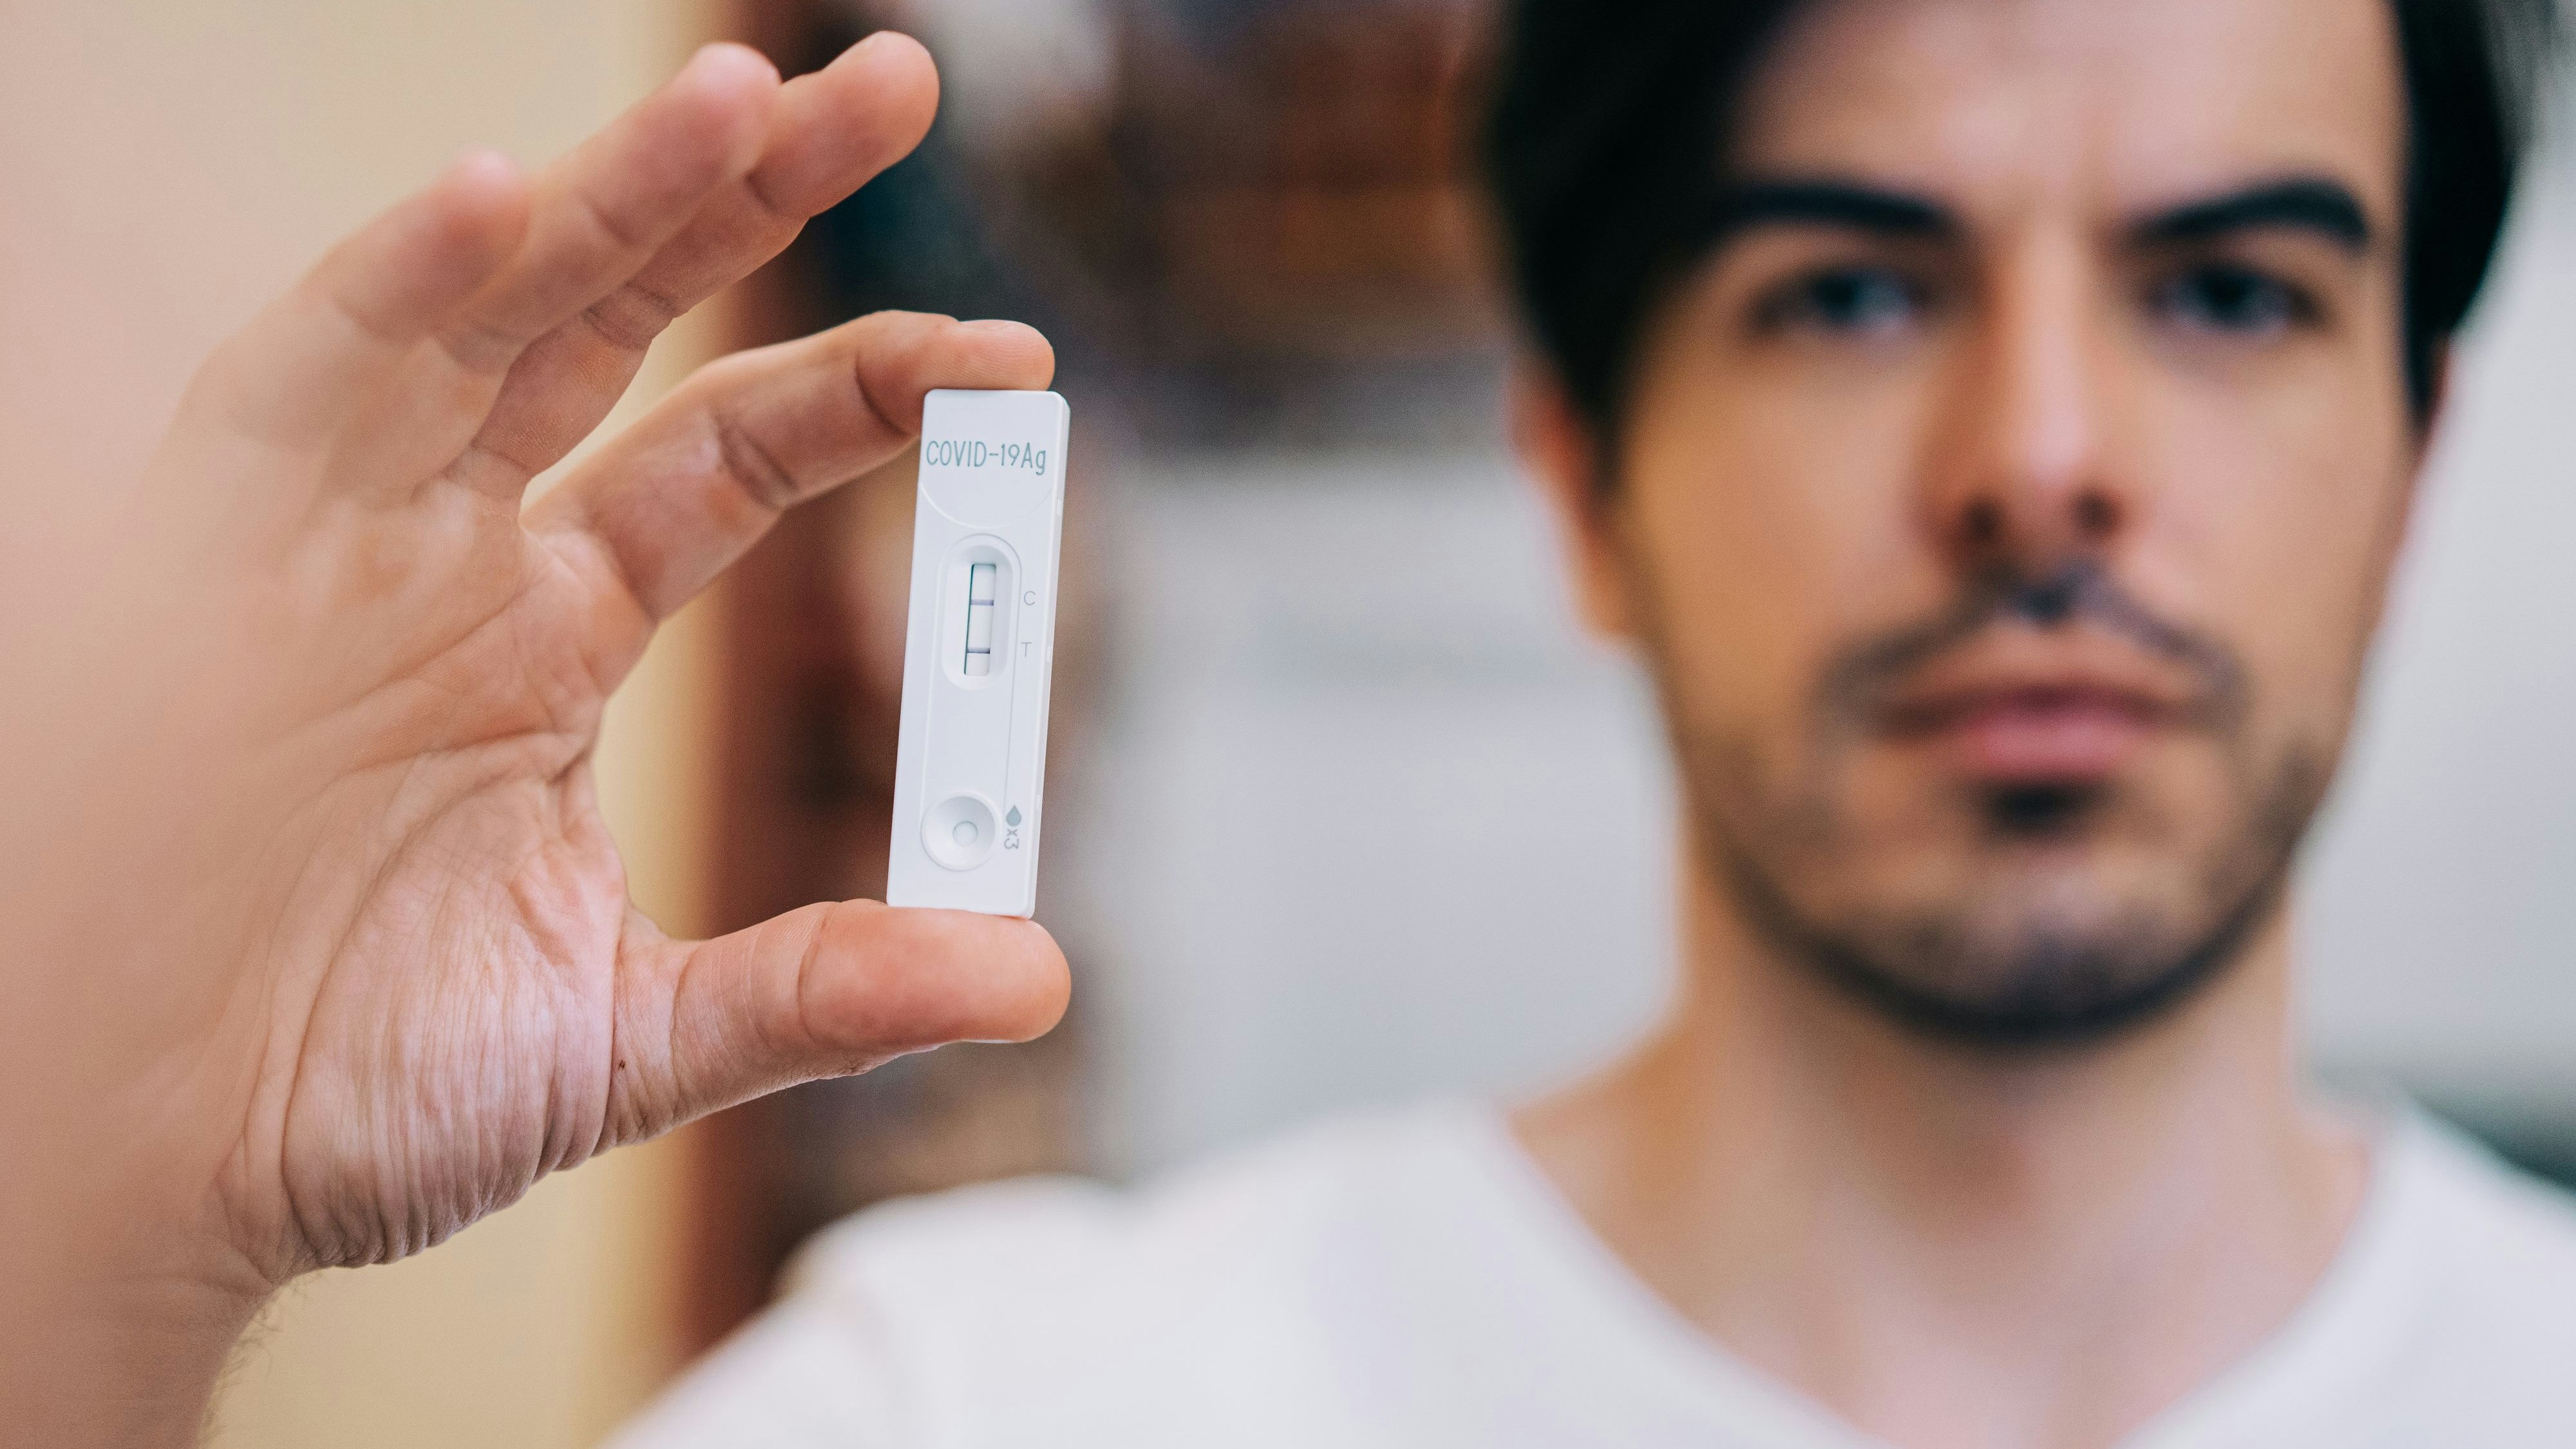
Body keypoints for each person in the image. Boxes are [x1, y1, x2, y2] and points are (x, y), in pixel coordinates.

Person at [0, 3, 2562, 1448]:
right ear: (1580, 478)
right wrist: (104, 1254)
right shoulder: (980, 1411)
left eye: (2226, 294)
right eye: (1851, 291)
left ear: (2412, 456)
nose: (2037, 459)